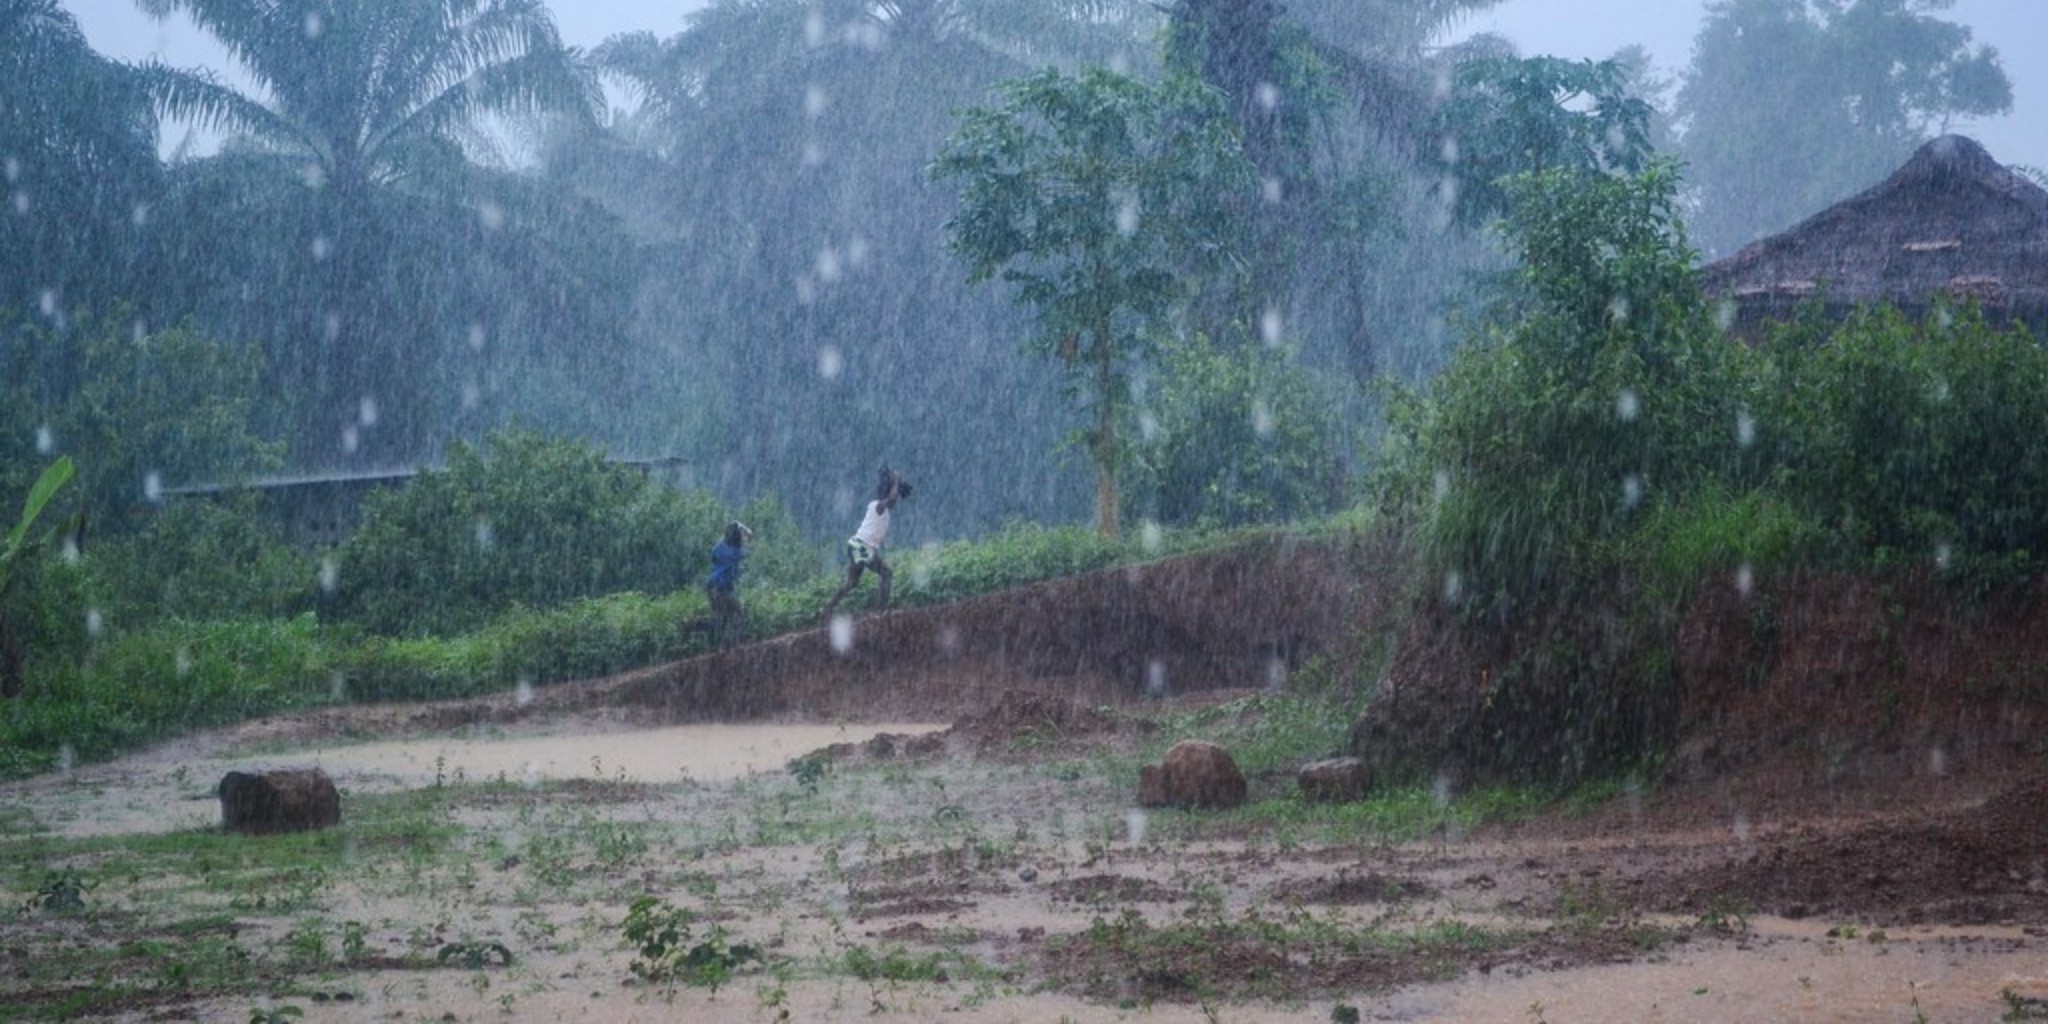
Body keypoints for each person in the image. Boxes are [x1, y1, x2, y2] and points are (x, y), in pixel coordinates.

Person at [822, 466, 910, 620]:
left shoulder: (881, 510)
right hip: (861, 547)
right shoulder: (878, 506)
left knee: (852, 582)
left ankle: (828, 608)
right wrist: (896, 481)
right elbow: (892, 499)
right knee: (886, 574)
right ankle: (880, 611)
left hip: (856, 545)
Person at [706, 520, 751, 649]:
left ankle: (692, 626)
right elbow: (749, 535)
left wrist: (734, 526)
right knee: (739, 612)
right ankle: (731, 644)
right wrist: (742, 527)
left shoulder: (719, 549)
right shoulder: (736, 553)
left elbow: (716, 551)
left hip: (711, 587)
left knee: (720, 620)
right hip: (721, 589)